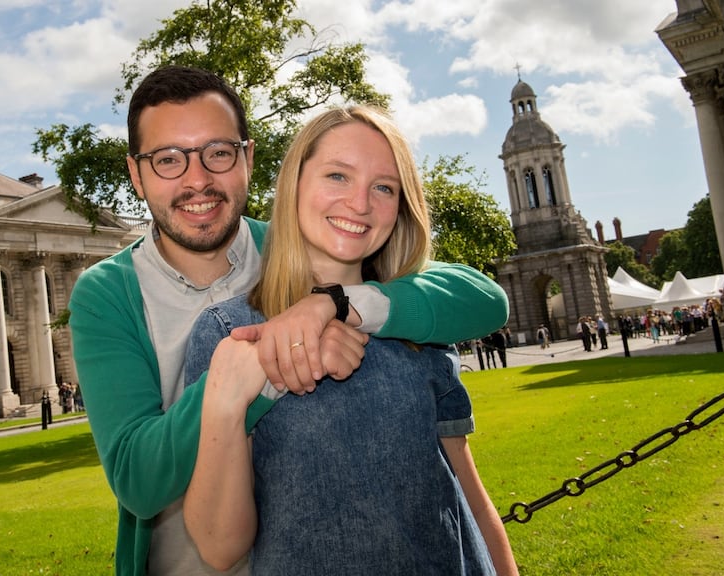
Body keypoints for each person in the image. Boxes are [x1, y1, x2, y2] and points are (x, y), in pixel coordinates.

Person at [68, 66, 509, 575]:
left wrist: (334, 303)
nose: (197, 179)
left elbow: (471, 295)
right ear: (136, 174)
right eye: (168, 160)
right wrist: (267, 364)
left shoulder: (302, 244)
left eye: (218, 153)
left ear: (248, 159)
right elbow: (137, 480)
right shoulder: (107, 292)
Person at [182, 106, 516, 575]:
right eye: (337, 176)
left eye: (384, 187)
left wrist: (337, 303)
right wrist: (225, 400)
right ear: (294, 184)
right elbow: (219, 547)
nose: (360, 204)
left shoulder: (416, 322)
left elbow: (469, 499)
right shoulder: (228, 333)